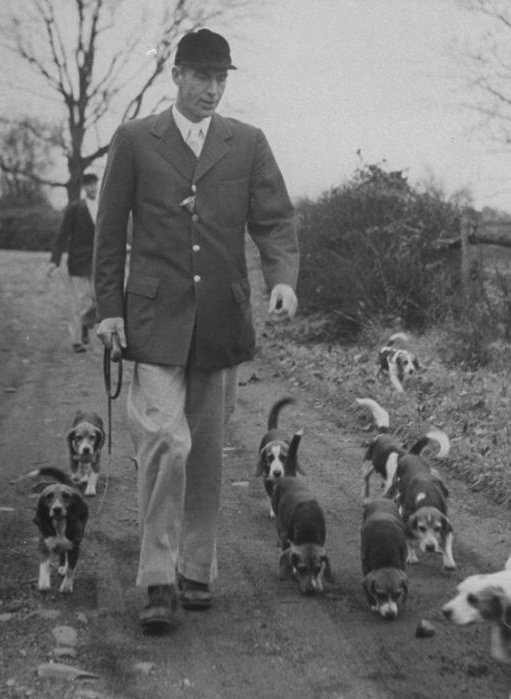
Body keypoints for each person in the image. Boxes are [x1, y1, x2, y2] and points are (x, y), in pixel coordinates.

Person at [93, 28, 299, 634]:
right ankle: (158, 577)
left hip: (220, 320)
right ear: (177, 76)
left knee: (206, 450)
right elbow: (109, 231)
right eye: (202, 77)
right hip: (153, 320)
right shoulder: (135, 140)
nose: (212, 89)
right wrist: (108, 309)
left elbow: (275, 221)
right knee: (166, 442)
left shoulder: (247, 143)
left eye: (221, 78)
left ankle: (196, 569)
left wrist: (282, 279)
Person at [49, 172, 99, 352]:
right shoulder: (75, 208)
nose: (92, 187)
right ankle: (77, 340)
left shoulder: (103, 207)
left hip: (98, 262)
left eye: (94, 184)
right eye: (89, 184)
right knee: (79, 301)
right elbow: (63, 235)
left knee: (96, 300)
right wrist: (54, 260)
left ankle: (86, 325)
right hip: (78, 262)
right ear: (84, 187)